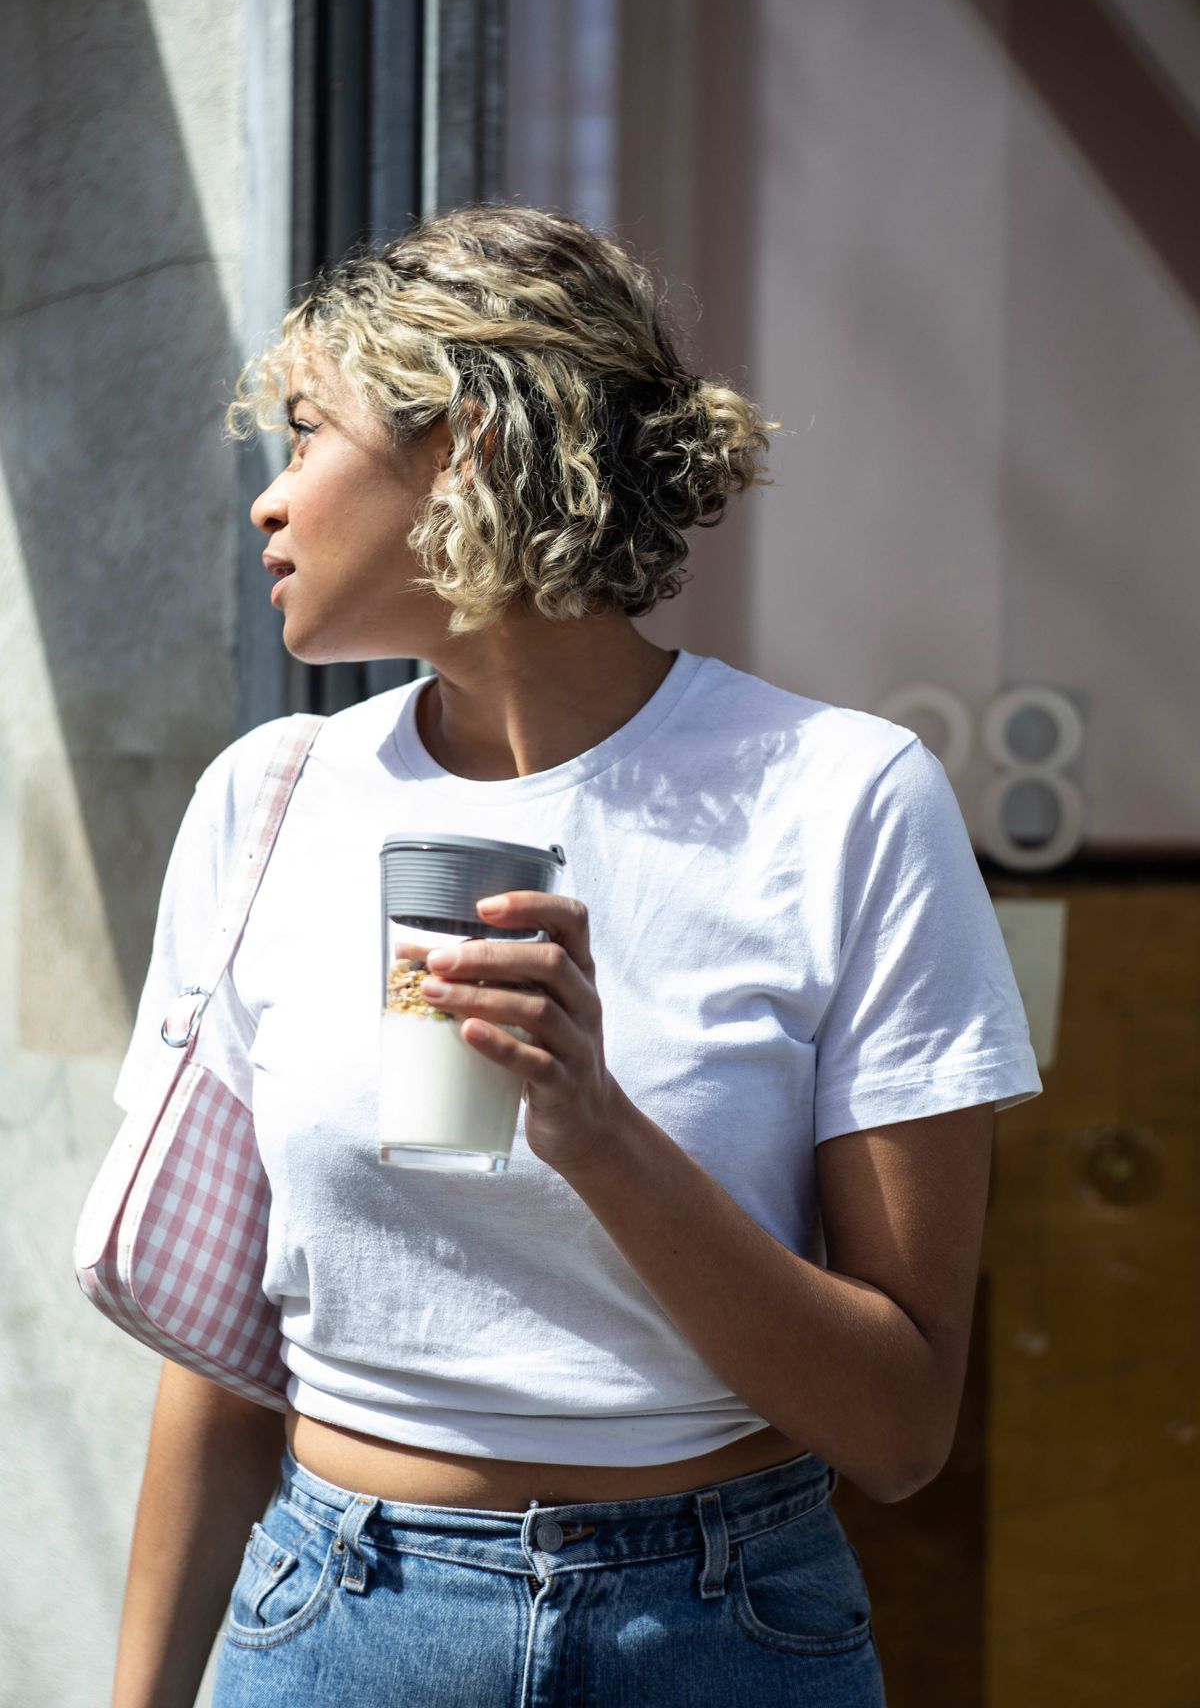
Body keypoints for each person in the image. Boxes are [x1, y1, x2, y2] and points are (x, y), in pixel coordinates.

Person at [109, 204, 1042, 1708]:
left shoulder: (839, 798)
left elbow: (900, 1428)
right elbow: (225, 1357)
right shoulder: (270, 802)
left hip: (726, 1630)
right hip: (342, 1622)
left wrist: (598, 1133)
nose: (270, 504)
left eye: (304, 435)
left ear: (464, 445)